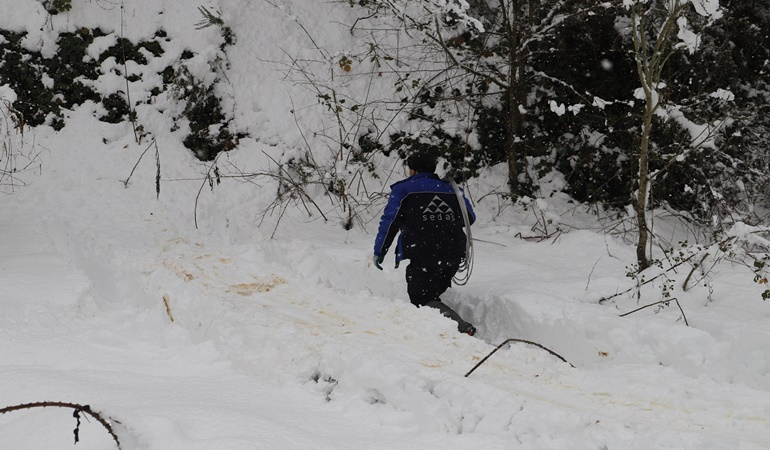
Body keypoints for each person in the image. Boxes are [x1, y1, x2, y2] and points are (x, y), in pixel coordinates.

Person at [373, 151, 477, 336]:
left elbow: (390, 222)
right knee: (431, 295)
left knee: (422, 299)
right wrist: (443, 218)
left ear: (413, 170)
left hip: (424, 255)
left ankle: (460, 328)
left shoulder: (404, 190)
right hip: (453, 254)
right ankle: (439, 335)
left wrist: (380, 251)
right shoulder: (452, 189)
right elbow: (469, 217)